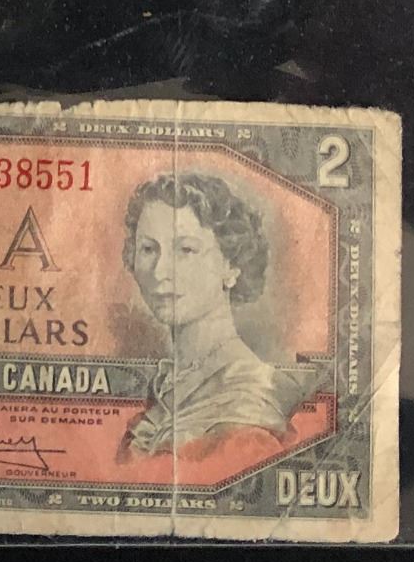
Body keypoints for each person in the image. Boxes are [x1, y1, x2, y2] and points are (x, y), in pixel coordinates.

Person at [122, 171, 290, 455]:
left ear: (231, 266)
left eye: (185, 249)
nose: (160, 272)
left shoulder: (248, 408)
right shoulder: (167, 386)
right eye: (148, 249)